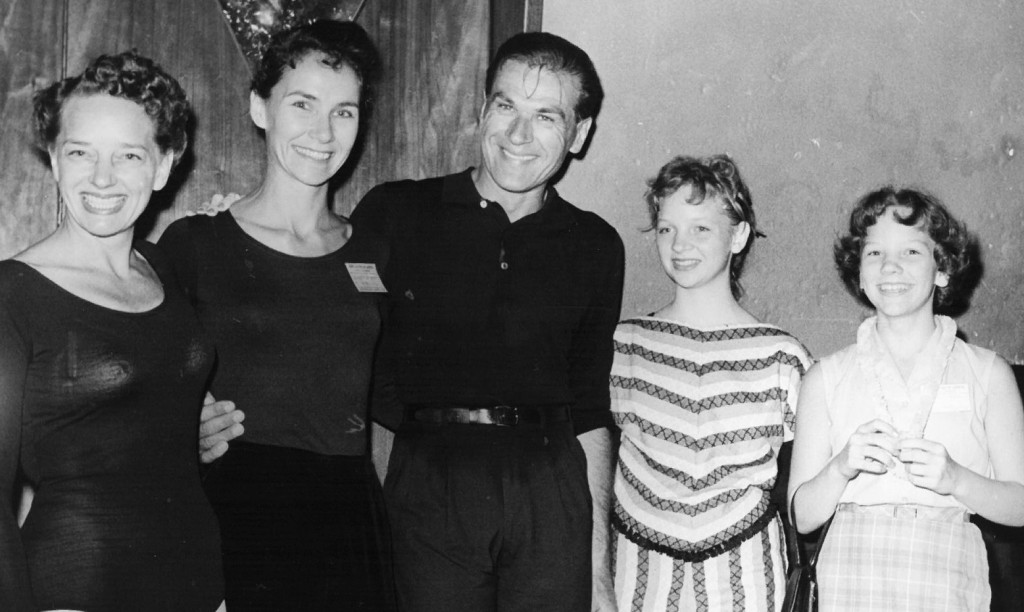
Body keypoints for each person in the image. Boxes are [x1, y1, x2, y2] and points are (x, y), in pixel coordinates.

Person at [348, 31, 624, 612]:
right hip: (427, 482)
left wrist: (599, 572)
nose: (519, 136)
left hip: (551, 491)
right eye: (506, 106)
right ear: (481, 112)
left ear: (579, 134)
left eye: (546, 116)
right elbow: (356, 368)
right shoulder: (395, 212)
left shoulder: (596, 244)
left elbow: (591, 408)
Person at [158, 20, 394, 611]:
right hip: (238, 513)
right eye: (303, 104)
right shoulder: (196, 244)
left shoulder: (376, 251)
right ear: (260, 108)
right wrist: (184, 426)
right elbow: (139, 386)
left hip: (348, 519)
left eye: (343, 111)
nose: (323, 131)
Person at [0, 51, 224, 610]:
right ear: (54, 159)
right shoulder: (11, 294)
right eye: (80, 152)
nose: (102, 178)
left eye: (128, 154)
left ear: (165, 165)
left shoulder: (160, 267)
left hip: (198, 576)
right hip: (80, 586)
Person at [788, 187, 1024, 610]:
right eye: (875, 254)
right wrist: (840, 467)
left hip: (948, 581)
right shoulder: (826, 377)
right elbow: (802, 516)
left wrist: (956, 479)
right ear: (859, 272)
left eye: (912, 252)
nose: (890, 267)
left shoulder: (988, 373)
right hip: (851, 579)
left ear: (943, 269)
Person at [609, 155, 811, 611]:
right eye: (666, 228)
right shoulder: (626, 345)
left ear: (738, 235)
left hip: (742, 569)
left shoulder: (781, 357)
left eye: (701, 228)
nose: (680, 244)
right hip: (639, 566)